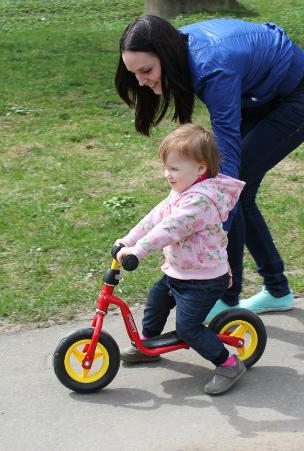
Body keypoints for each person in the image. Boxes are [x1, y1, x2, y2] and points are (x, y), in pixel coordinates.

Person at [115, 15, 304, 321]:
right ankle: (276, 291)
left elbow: (225, 164)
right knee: (234, 193)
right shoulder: (179, 49)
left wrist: (206, 225)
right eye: (134, 73)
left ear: (166, 54)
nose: (141, 82)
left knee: (228, 190)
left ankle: (227, 297)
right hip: (260, 96)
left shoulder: (213, 67)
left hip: (301, 98)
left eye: (146, 71)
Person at [115, 124, 246, 395]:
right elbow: (155, 217)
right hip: (179, 271)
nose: (167, 174)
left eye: (174, 169)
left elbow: (169, 229)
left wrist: (138, 251)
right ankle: (148, 346)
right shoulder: (181, 192)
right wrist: (128, 240)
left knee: (188, 328)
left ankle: (228, 363)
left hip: (204, 279)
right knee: (156, 302)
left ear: (200, 168)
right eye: (166, 167)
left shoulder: (199, 203)